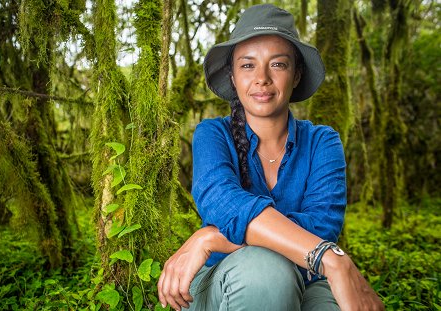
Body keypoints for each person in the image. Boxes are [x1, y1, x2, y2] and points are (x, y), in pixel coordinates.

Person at [158, 4, 385, 311]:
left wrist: (212, 237)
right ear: (233, 77)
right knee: (266, 272)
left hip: (308, 280)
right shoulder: (212, 135)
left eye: (277, 65)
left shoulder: (323, 141)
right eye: (248, 65)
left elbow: (320, 228)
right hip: (224, 280)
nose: (262, 78)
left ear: (296, 75)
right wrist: (328, 257)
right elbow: (222, 202)